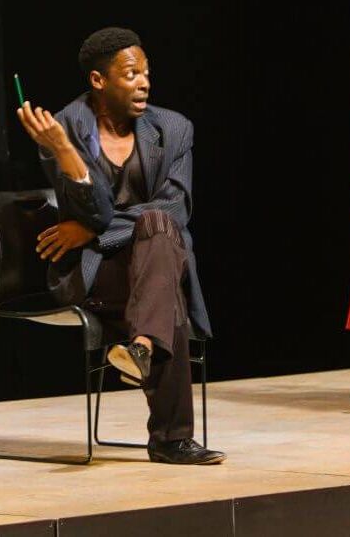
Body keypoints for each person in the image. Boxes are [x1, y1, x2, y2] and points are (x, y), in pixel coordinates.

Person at [16, 26, 225, 465]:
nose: (144, 82)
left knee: (160, 229)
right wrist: (67, 154)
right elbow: (91, 211)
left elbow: (175, 209)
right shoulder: (63, 128)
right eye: (131, 74)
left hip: (150, 265)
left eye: (146, 72)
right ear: (98, 81)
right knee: (164, 281)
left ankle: (142, 347)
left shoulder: (173, 129)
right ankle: (170, 437)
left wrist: (97, 230)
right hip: (95, 274)